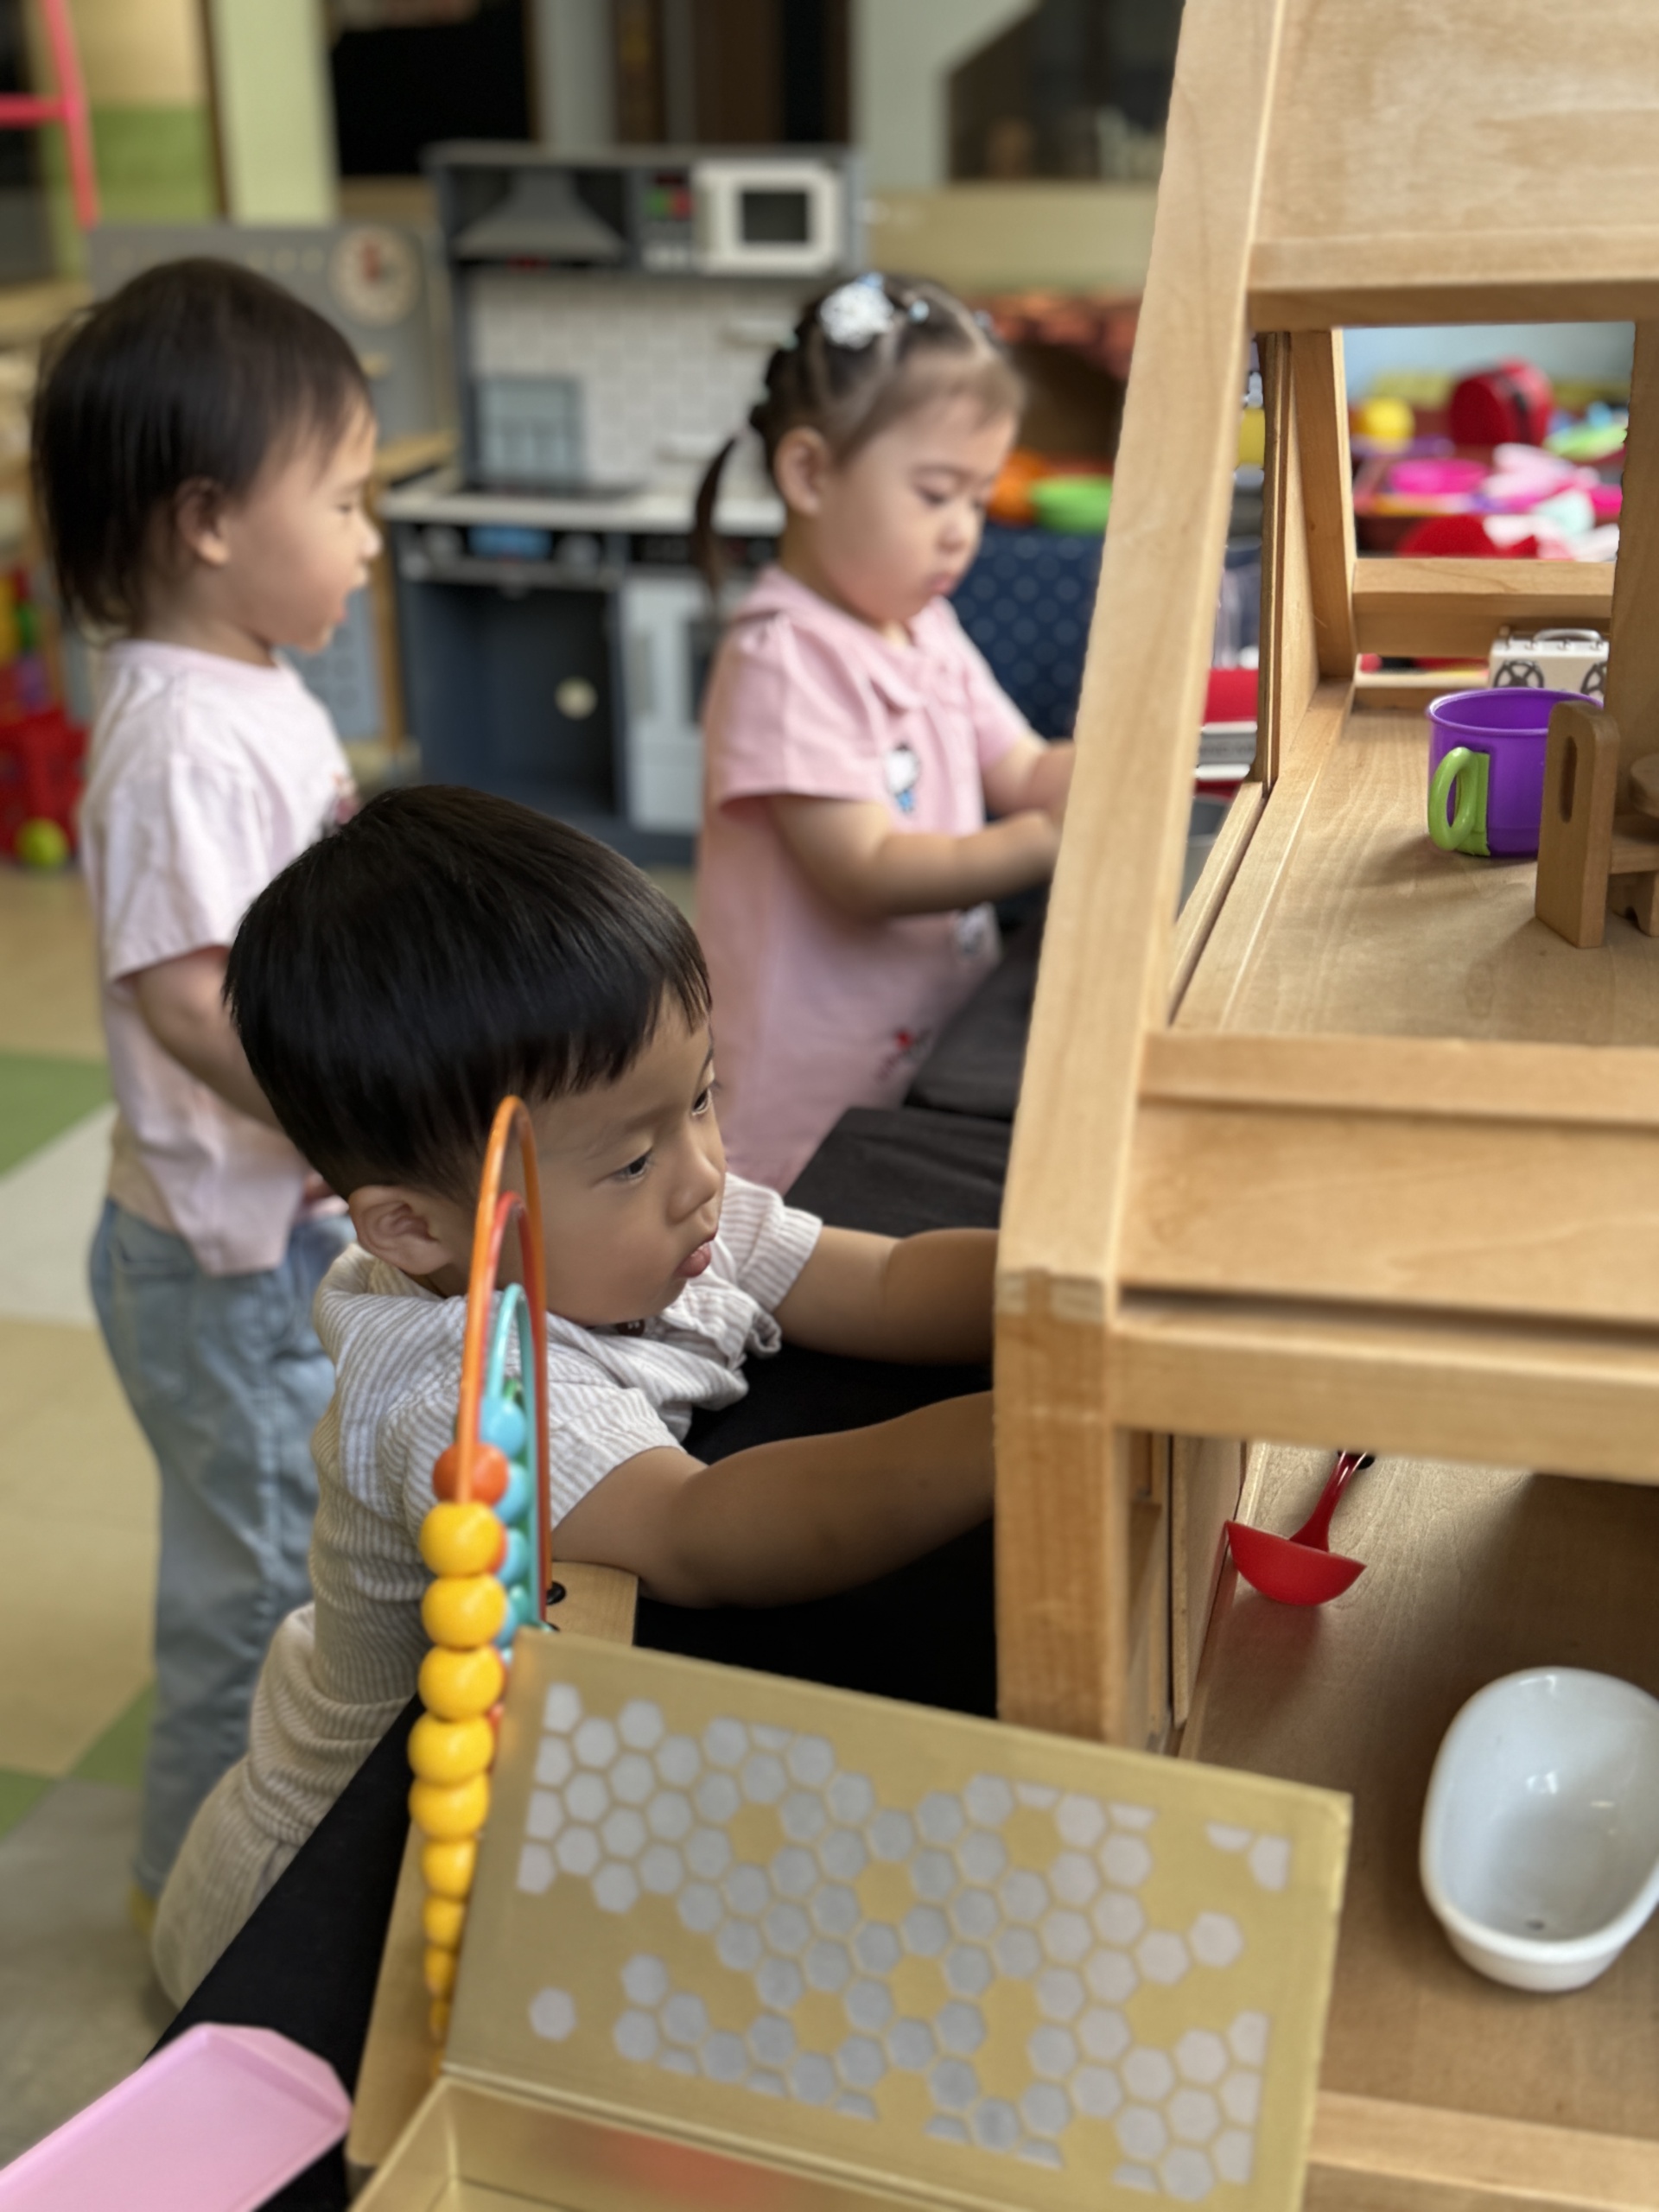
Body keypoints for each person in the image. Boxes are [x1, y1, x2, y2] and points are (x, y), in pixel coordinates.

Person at [151, 785, 996, 2002]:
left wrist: (1073, 1295)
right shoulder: (453, 1382)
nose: (703, 1175)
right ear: (418, 1227)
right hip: (345, 1860)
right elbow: (703, 1530)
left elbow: (891, 1279)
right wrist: (1015, 1433)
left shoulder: (658, 1217)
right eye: (635, 1157)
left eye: (702, 1096)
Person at [32, 260, 379, 1916]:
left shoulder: (253, 685)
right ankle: (192, 1907)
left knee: (291, 1564)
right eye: (348, 500)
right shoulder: (177, 733)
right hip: (216, 1264)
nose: (371, 539)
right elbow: (184, 996)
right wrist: (350, 1118)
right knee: (248, 1607)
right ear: (212, 522)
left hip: (270, 1237)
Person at [692, 272, 1075, 1193]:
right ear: (810, 474)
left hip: (923, 1056)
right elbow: (865, 870)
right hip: (806, 1105)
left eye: (978, 500)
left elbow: (1021, 765)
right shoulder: (786, 660)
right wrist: (1053, 839)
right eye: (937, 493)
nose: (963, 533)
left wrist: (1126, 763)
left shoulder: (923, 627)